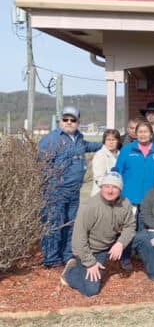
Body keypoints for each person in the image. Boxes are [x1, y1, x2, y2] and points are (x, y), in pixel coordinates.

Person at [38, 106, 102, 268]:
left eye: (72, 120)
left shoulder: (79, 138)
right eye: (65, 119)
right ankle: (51, 260)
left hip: (74, 192)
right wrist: (50, 185)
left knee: (70, 225)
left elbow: (90, 146)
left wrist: (110, 143)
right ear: (60, 120)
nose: (68, 122)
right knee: (54, 225)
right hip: (55, 192)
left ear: (78, 122)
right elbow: (40, 164)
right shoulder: (51, 139)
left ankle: (67, 256)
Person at [60, 172, 137, 296]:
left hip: (106, 247)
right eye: (106, 186)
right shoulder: (91, 206)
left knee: (139, 238)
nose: (110, 191)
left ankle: (82, 268)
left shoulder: (125, 203)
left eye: (115, 187)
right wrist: (90, 263)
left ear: (120, 189)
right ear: (101, 187)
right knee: (91, 290)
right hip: (87, 250)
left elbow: (130, 226)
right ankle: (70, 272)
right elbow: (79, 238)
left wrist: (121, 243)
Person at [113, 121, 154, 270]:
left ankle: (144, 258)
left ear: (151, 134)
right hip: (129, 198)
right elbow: (117, 171)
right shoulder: (127, 150)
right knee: (128, 229)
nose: (143, 134)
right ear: (136, 134)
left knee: (144, 231)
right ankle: (125, 257)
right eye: (140, 131)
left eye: (146, 131)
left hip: (149, 199)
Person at [90, 129, 121, 198]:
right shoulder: (100, 155)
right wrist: (110, 190)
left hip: (117, 193)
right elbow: (99, 178)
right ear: (104, 141)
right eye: (108, 140)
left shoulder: (120, 155)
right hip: (102, 193)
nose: (111, 142)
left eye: (113, 140)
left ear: (118, 141)